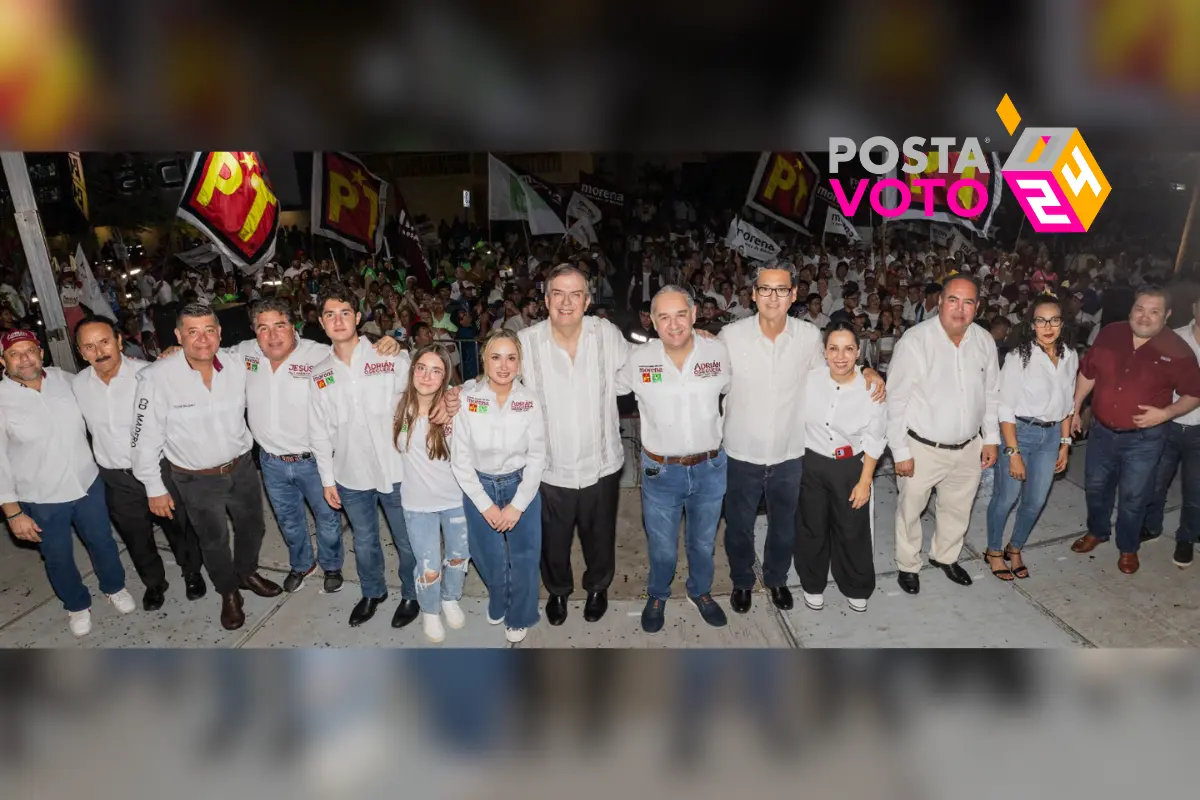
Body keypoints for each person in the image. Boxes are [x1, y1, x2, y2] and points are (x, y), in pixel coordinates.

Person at [309, 284, 460, 627]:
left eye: (345, 312)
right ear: (321, 322)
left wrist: (451, 400)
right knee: (364, 541)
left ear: (358, 317)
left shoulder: (387, 355)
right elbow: (318, 431)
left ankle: (411, 593)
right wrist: (326, 479)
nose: (338, 320)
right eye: (330, 314)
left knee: (407, 542)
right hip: (350, 474)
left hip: (396, 470)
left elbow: (424, 386)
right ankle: (373, 591)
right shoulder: (319, 373)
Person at [131, 303, 282, 632]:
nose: (202, 339)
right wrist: (153, 488)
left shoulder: (236, 362)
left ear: (220, 333)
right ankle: (228, 593)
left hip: (241, 468)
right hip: (195, 479)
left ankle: (246, 572)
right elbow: (143, 438)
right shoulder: (157, 377)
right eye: (192, 332)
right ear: (178, 336)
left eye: (209, 330)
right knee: (212, 540)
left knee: (253, 528)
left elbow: (275, 341)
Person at [0, 329, 134, 637]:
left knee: (102, 542)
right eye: (14, 354)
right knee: (58, 557)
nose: (24, 359)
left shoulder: (66, 380)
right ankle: (76, 604)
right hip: (41, 498)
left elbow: (107, 384)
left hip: (87, 484)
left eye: (30, 351)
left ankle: (114, 586)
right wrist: (13, 513)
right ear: (3, 361)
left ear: (41, 353)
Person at [518, 265, 631, 626]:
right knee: (553, 541)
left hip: (601, 462)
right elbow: (496, 382)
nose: (566, 302)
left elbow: (634, 372)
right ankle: (558, 591)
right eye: (558, 293)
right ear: (546, 298)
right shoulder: (525, 342)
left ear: (587, 300)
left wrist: (691, 342)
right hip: (549, 467)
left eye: (575, 294)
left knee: (600, 536)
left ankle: (598, 587)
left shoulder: (607, 334)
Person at [618, 286, 731, 633]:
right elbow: (597, 387)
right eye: (663, 317)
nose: (674, 324)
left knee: (702, 543)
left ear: (695, 314)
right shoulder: (638, 360)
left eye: (680, 314)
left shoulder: (720, 352)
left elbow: (746, 389)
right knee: (663, 548)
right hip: (660, 471)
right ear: (652, 322)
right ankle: (657, 594)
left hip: (710, 468)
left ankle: (701, 591)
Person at [72, 317, 205, 610]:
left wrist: (176, 355)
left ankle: (192, 571)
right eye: (90, 346)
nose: (99, 351)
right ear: (81, 353)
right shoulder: (77, 385)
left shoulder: (148, 374)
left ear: (120, 341)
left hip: (160, 467)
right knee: (136, 537)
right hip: (116, 476)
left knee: (178, 525)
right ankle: (154, 583)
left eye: (105, 341)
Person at [1069, 285, 1200, 574]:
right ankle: (1097, 531)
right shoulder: (1110, 333)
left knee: (1134, 496)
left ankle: (1128, 547)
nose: (1145, 316)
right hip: (1102, 432)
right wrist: (1075, 408)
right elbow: (1088, 373)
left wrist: (1166, 413)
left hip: (1144, 440)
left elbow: (1194, 393)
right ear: (1131, 310)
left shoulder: (1178, 350)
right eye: (1140, 308)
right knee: (1095, 487)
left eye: (1154, 311)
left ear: (1166, 315)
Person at [886, 276, 1001, 594]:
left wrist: (990, 437)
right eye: (953, 299)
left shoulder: (984, 341)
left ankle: (945, 556)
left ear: (977, 307)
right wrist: (900, 451)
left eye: (968, 302)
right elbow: (895, 400)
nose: (960, 309)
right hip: (922, 447)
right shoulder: (915, 340)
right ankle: (908, 564)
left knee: (958, 507)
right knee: (910, 509)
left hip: (968, 447)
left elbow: (992, 392)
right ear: (940, 301)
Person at [451, 329, 547, 643]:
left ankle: (521, 614)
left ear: (519, 364)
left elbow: (537, 456)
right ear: (484, 360)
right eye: (496, 357)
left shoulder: (529, 401)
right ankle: (499, 596)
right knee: (486, 553)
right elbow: (460, 458)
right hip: (479, 485)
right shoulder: (468, 398)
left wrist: (518, 505)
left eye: (511, 358)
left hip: (521, 483)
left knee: (524, 556)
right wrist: (486, 504)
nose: (503, 365)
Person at [984, 295, 1077, 581]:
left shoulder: (1070, 355)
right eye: (1041, 320)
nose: (1048, 326)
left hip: (1051, 438)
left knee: (1035, 500)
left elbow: (1068, 404)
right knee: (1006, 497)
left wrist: (1065, 444)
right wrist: (1013, 453)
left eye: (1054, 320)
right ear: (1031, 324)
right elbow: (1005, 408)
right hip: (1020, 434)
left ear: (1062, 323)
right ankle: (994, 550)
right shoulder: (1018, 357)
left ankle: (1016, 547)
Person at [796, 322, 887, 613]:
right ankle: (812, 583)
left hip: (851, 467)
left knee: (852, 528)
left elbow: (875, 438)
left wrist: (865, 481)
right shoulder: (809, 380)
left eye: (848, 349)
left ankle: (856, 585)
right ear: (825, 352)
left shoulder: (871, 388)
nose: (840, 356)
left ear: (858, 352)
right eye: (833, 348)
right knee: (812, 527)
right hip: (811, 463)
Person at [393, 345, 470, 643]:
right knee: (427, 567)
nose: (427, 375)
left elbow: (482, 384)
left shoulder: (455, 408)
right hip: (417, 504)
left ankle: (451, 598)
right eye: (421, 367)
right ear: (412, 370)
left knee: (458, 557)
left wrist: (457, 392)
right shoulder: (397, 405)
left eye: (436, 370)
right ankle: (430, 611)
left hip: (456, 501)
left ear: (445, 377)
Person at [1143, 294, 1200, 568]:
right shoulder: (1172, 339)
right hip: (1168, 425)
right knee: (1155, 483)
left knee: (1196, 490)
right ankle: (1152, 526)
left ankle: (1187, 537)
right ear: (1193, 307)